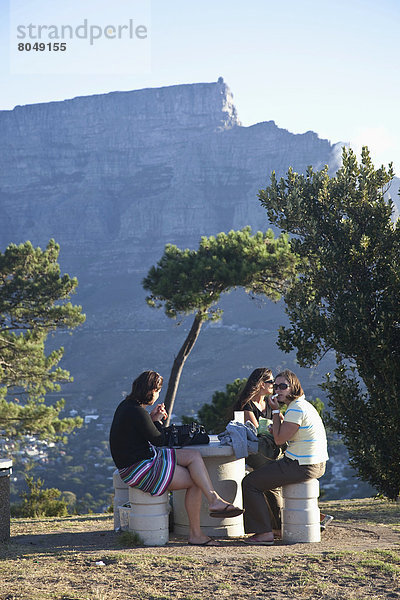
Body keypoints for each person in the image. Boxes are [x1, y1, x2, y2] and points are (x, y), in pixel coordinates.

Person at [109, 370, 244, 547]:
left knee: (193, 456)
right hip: (138, 469)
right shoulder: (136, 412)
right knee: (196, 481)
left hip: (141, 460)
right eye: (157, 391)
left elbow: (146, 434)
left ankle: (214, 500)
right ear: (150, 391)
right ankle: (196, 534)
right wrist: (156, 420)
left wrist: (153, 419)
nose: (157, 396)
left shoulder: (127, 406)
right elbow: (159, 440)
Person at [241, 369, 329, 545]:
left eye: (283, 386)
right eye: (276, 386)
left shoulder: (295, 409)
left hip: (301, 464)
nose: (278, 390)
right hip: (314, 463)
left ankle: (264, 533)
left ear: (293, 387)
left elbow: (279, 439)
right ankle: (276, 528)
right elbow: (283, 435)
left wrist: (275, 412)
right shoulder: (302, 406)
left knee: (250, 483)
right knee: (263, 480)